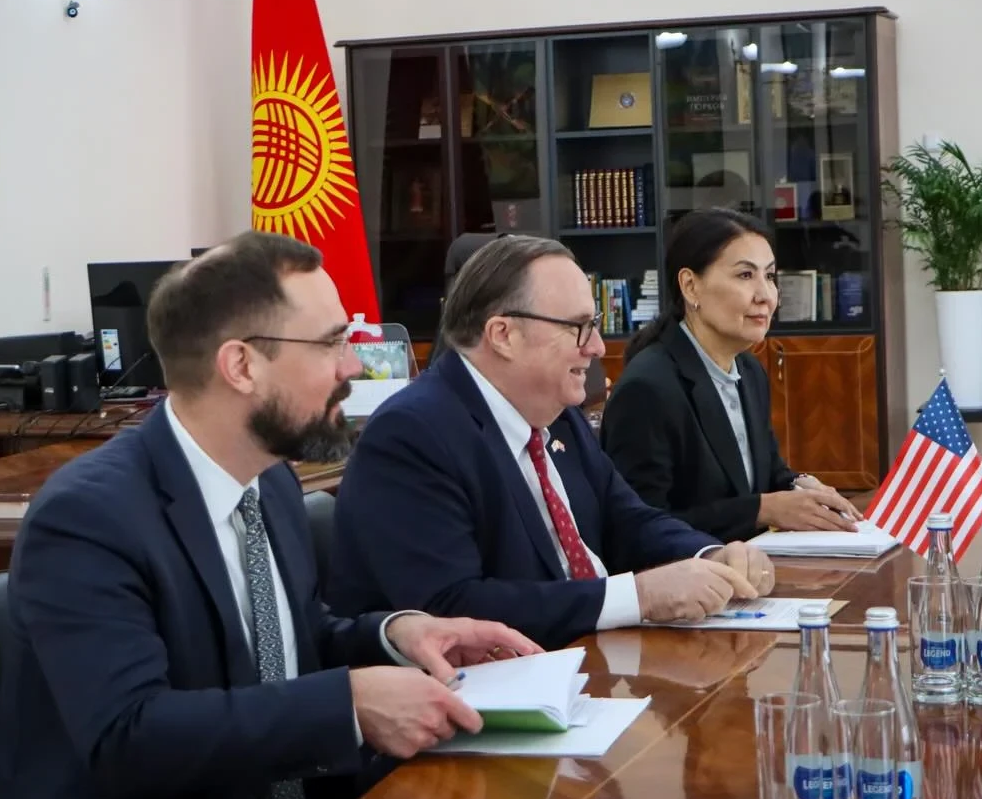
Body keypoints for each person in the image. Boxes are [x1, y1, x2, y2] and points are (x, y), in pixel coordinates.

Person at [0, 231, 540, 799]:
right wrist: (349, 706)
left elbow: (286, 644)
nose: (353, 366)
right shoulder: (88, 518)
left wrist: (397, 635)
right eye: (332, 343)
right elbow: (130, 736)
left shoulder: (270, 480)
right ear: (241, 366)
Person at [327, 234, 777, 651]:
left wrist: (710, 554)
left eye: (594, 324)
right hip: (498, 685)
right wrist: (637, 596)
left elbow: (627, 519)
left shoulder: (558, 415)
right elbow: (452, 606)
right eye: (578, 326)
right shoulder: (413, 434)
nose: (597, 346)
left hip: (594, 660)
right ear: (503, 335)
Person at [600, 208, 861, 542]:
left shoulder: (749, 370)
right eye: (745, 275)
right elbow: (638, 529)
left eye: (770, 276)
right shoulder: (647, 389)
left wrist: (800, 485)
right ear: (690, 286)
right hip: (693, 571)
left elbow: (766, 474)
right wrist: (762, 510)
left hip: (753, 561)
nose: (765, 296)